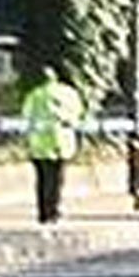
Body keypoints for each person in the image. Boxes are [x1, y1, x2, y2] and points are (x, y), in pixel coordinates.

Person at [21, 66, 86, 226]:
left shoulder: (35, 95)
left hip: (39, 145)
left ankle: (43, 212)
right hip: (61, 143)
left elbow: (26, 115)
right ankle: (54, 210)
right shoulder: (68, 93)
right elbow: (77, 113)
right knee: (57, 179)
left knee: (42, 179)